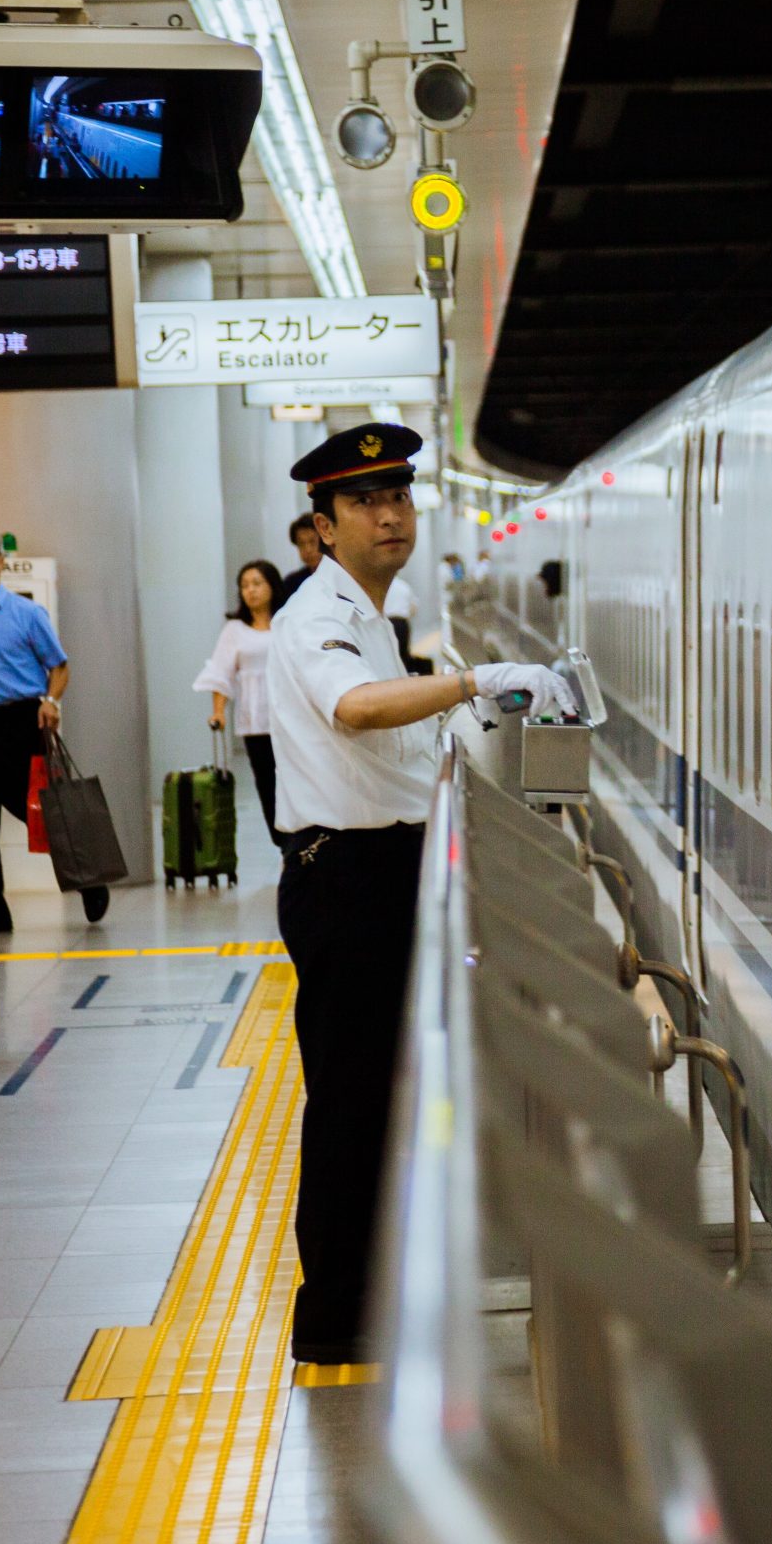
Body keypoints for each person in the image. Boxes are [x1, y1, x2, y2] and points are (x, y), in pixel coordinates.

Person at [269, 421, 571, 1364]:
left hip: (382, 874)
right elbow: (355, 709)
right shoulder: (318, 615)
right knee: (352, 1099)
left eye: (398, 496)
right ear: (321, 524)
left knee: (379, 1096)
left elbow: (394, 743)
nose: (389, 514)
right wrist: (473, 679)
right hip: (347, 883)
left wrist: (463, 719)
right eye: (364, 501)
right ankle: (336, 1321)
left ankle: (373, 1298)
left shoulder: (370, 615)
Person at [0, 526, 106, 931]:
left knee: (42, 812)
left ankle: (89, 879)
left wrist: (50, 701)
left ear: (0, 560)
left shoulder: (25, 613)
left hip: (21, 720)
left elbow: (59, 666)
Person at [193, 560, 285, 841]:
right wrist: (218, 712)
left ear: (272, 586)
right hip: (255, 722)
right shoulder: (234, 629)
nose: (250, 591)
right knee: (268, 786)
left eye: (257, 583)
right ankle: (283, 844)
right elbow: (221, 672)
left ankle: (301, 841)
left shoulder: (287, 622)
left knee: (296, 783)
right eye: (244, 586)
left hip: (289, 719)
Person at [383, 570, 433, 676]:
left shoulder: (382, 586)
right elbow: (413, 608)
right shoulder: (404, 586)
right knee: (403, 652)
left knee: (388, 653)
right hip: (402, 622)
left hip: (386, 622)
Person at [279, 515, 323, 604]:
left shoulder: (343, 575)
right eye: (301, 544)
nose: (308, 550)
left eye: (312, 542)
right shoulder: (291, 583)